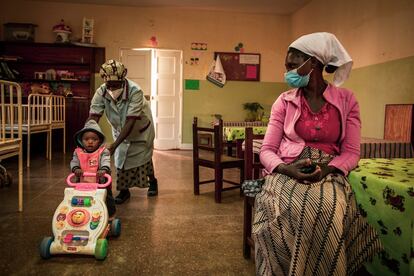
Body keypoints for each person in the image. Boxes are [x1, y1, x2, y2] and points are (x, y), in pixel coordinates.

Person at [253, 32, 382, 275]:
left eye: (292, 65)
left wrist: (329, 169)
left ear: (313, 63)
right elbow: (267, 150)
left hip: (328, 170)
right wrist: (286, 168)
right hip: (288, 169)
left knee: (329, 208)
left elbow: (352, 152)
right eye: (287, 66)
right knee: (284, 208)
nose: (287, 71)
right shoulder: (283, 101)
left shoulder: (346, 100)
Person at [87, 59, 158, 205]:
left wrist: (115, 144)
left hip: (140, 130)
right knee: (120, 161)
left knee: (144, 159)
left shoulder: (135, 91)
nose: (112, 89)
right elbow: (94, 116)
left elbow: (131, 120)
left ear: (123, 80)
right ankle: (124, 191)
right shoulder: (101, 92)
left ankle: (153, 182)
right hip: (120, 130)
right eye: (109, 85)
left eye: (115, 85)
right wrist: (86, 137)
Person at [70, 120, 116, 219]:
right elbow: (74, 161)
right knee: (81, 197)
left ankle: (110, 215)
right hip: (82, 181)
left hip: (100, 181)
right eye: (86, 139)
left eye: (94, 139)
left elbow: (106, 160)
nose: (90, 141)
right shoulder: (78, 152)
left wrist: (103, 169)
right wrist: (76, 168)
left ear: (99, 140)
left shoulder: (103, 152)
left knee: (106, 196)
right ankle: (82, 213)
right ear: (81, 140)